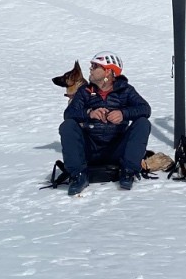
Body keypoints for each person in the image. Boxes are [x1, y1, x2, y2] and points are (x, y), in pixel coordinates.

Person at [60, 52, 151, 196]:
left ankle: (128, 172)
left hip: (117, 149)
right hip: (90, 148)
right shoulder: (84, 91)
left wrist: (123, 114)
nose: (90, 69)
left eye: (95, 66)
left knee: (143, 123)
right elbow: (68, 114)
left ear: (108, 71)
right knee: (68, 126)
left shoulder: (125, 90)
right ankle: (78, 175)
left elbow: (145, 109)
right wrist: (89, 113)